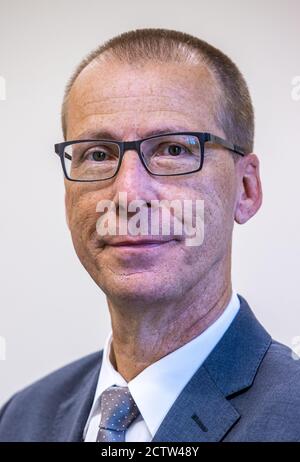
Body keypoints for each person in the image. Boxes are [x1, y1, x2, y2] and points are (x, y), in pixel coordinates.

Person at [1, 28, 300, 442]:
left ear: (246, 189)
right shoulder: (21, 419)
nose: (127, 195)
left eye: (173, 150)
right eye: (99, 155)